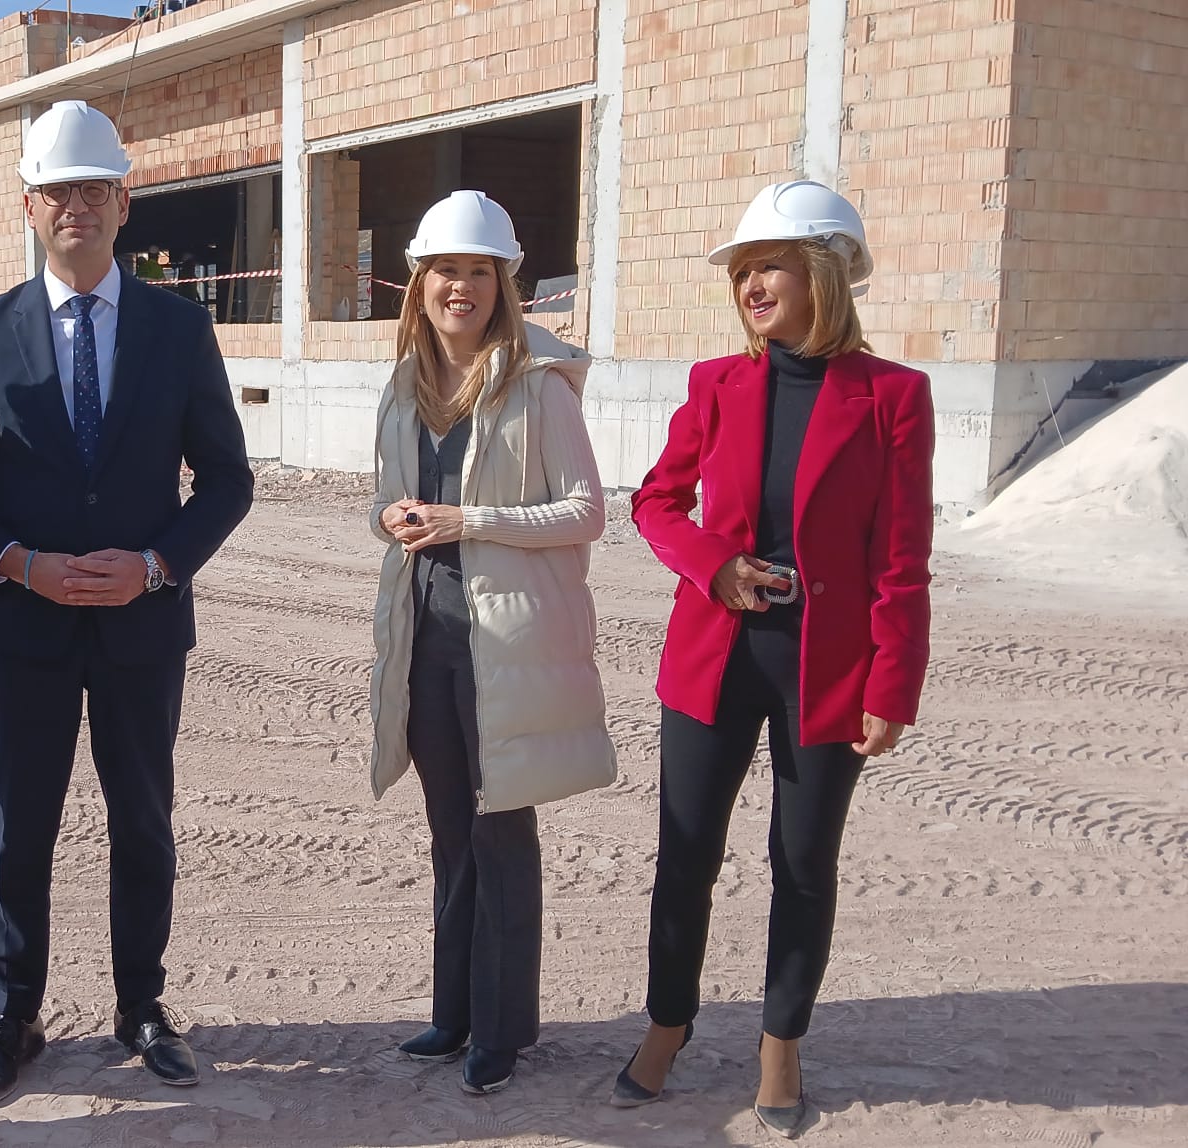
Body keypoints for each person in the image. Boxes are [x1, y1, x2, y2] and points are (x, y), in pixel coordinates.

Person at [0, 100, 254, 1108]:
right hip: (23, 629)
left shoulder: (181, 329)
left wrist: (157, 563)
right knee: (19, 825)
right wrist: (18, 562)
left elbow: (226, 480)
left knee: (143, 818)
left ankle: (141, 1006)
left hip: (142, 626)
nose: (77, 206)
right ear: (30, 205)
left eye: (94, 189)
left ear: (124, 202)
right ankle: (13, 1015)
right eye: (57, 190)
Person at [613, 181, 934, 1140]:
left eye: (771, 265)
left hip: (826, 667)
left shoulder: (895, 397)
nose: (751, 282)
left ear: (826, 272)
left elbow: (903, 558)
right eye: (744, 270)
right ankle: (667, 1025)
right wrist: (716, 568)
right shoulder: (716, 383)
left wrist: (893, 687)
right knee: (686, 855)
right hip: (716, 654)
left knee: (802, 864)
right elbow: (656, 503)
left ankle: (780, 1046)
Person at [366, 190, 618, 1095]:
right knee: (448, 833)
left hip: (501, 647)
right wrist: (390, 514)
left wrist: (470, 519)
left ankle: (503, 1029)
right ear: (419, 283)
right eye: (445, 270)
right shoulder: (405, 387)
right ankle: (455, 1012)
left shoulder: (538, 384)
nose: (460, 286)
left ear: (503, 283)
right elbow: (389, 502)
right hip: (426, 640)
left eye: (478, 270)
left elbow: (586, 512)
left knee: (500, 831)